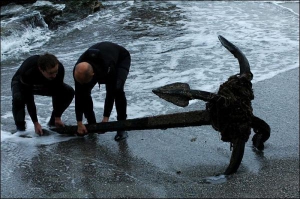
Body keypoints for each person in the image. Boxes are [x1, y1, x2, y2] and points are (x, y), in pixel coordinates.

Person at [73, 42, 131, 141]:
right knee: (84, 92)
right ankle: (92, 124)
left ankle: (122, 127)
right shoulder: (79, 70)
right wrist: (79, 122)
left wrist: (105, 118)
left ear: (93, 75)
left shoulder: (106, 67)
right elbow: (79, 96)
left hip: (120, 58)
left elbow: (110, 92)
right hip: (101, 58)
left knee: (117, 89)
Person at [11, 53, 74, 135]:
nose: (54, 75)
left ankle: (53, 123)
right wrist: (35, 123)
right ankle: (20, 130)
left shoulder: (59, 68)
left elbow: (56, 92)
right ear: (41, 69)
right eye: (51, 73)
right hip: (21, 83)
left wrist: (57, 117)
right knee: (18, 98)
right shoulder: (28, 71)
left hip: (44, 83)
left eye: (56, 72)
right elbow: (29, 98)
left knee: (68, 92)